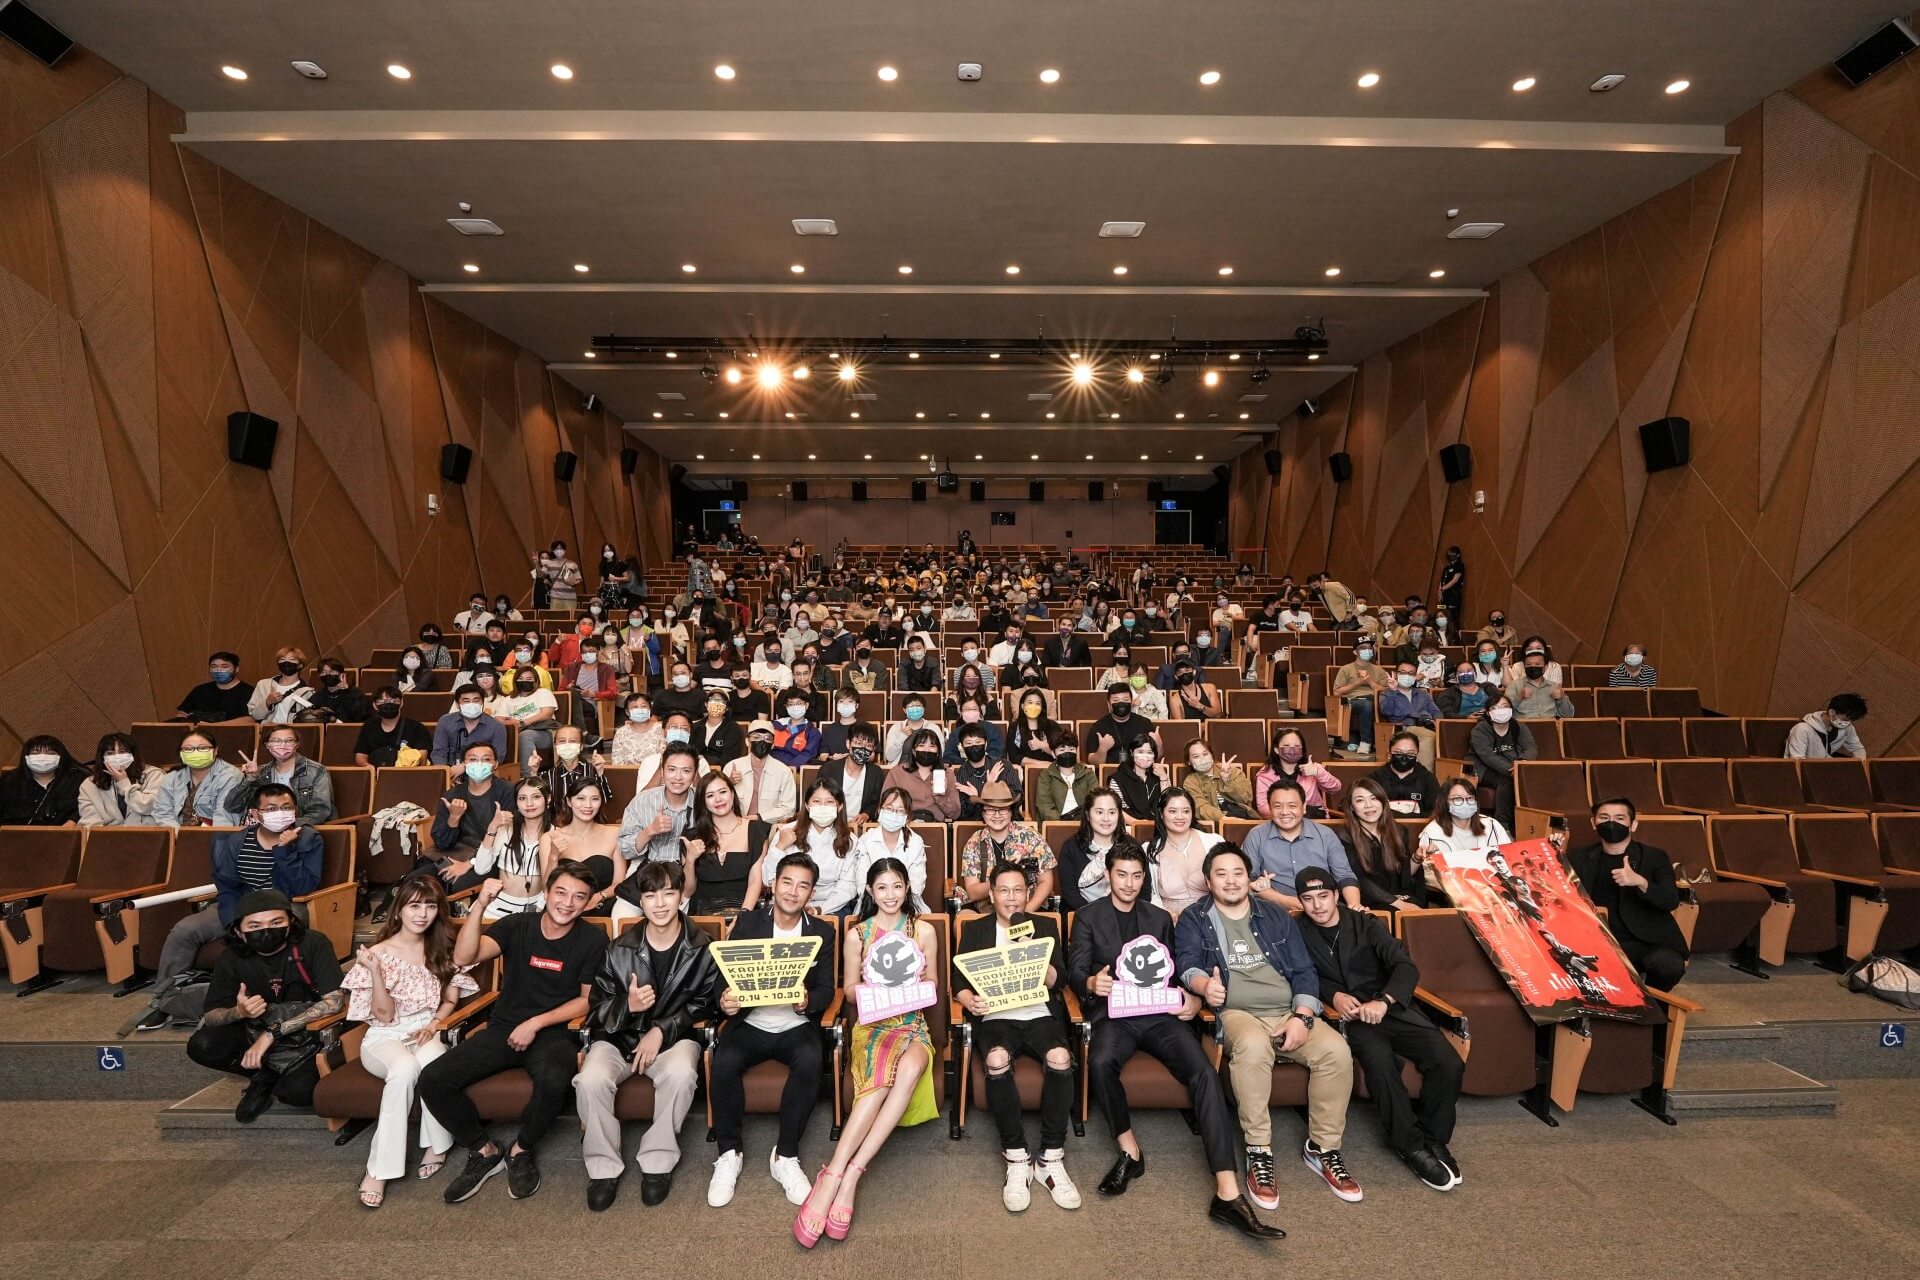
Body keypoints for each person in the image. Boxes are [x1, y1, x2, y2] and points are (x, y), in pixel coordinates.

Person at [1070, 844, 1282, 1237]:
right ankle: (1130, 1151)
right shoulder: (1088, 916)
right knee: (1099, 1061)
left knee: (1203, 1072)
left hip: (1160, 1014)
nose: (1129, 883)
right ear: (1109, 875)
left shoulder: (1159, 917)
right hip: (1115, 1014)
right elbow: (1076, 969)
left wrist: (1192, 997)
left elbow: (1179, 968)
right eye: (1121, 875)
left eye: (1137, 876)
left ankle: (1227, 1191)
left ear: (1144, 879)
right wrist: (1090, 982)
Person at [1175, 844, 1359, 1208]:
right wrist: (1204, 986)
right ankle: (1258, 1151)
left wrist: (1302, 1016)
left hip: (1287, 1009)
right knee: (1253, 1046)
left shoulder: (1275, 915)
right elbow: (1187, 963)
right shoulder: (1194, 917)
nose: (1231, 881)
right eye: (1221, 874)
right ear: (1209, 881)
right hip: (1236, 1012)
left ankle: (1323, 1148)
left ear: (1249, 878)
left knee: (1337, 1051)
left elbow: (1304, 970)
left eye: (1238, 873)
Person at [422, 863, 606, 1203]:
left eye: (579, 897)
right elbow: (464, 956)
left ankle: (521, 1150)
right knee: (432, 1079)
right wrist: (480, 905)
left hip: (554, 1032)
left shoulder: (592, 939)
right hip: (505, 1027)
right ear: (546, 892)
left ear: (588, 902)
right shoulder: (516, 925)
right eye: (561, 893)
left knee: (554, 1082)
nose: (568, 903)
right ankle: (484, 1150)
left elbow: (585, 1000)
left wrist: (535, 1023)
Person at [793, 859, 938, 1247]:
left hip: (912, 1026)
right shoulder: (858, 934)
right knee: (882, 1079)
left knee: (909, 1068)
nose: (891, 895)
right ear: (871, 891)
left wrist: (915, 983)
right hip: (873, 1026)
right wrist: (882, 985)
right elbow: (849, 992)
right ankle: (835, 1175)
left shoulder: (923, 930)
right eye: (882, 887)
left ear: (907, 888)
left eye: (897, 886)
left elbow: (933, 985)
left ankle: (850, 1174)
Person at [1293, 867, 1462, 1191]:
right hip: (1353, 1018)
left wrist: (1384, 1001)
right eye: (1309, 899)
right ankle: (1408, 1143)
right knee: (1381, 1064)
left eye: (1323, 896)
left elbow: (1404, 966)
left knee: (1448, 1062)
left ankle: (1434, 1138)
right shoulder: (1298, 930)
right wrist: (1334, 995)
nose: (1317, 905)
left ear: (1337, 895)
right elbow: (1299, 973)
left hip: (1391, 1008)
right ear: (1301, 901)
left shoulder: (1365, 923)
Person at [573, 861, 721, 1210]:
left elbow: (707, 1004)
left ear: (681, 896)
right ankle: (603, 1168)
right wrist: (628, 1005)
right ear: (640, 901)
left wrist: (661, 1029)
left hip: (673, 1040)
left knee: (682, 1073)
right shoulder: (619, 948)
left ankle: (657, 1161)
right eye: (651, 895)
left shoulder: (703, 947)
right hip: (620, 1040)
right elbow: (596, 1009)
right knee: (590, 1079)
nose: (660, 903)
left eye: (668, 893)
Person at [708, 852, 837, 1207]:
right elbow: (722, 977)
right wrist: (725, 999)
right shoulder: (748, 923)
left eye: (803, 886)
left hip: (795, 1023)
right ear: (773, 884)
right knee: (724, 1060)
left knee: (811, 1058)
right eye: (787, 882)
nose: (793, 891)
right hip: (751, 1021)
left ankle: (786, 1155)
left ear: (811, 893)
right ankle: (729, 1153)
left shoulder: (822, 932)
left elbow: (827, 990)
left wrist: (807, 1001)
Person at [140, 783, 324, 1028]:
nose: (280, 813)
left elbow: (302, 886)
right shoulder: (236, 841)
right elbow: (226, 885)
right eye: (271, 808)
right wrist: (234, 921)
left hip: (286, 906)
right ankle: (163, 1000)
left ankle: (266, 1002)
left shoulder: (308, 838)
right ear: (256, 813)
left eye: (286, 807)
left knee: (275, 930)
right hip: (242, 906)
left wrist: (284, 850)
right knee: (184, 930)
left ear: (295, 810)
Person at [955, 862, 1081, 1213]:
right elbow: (959, 982)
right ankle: (1016, 1157)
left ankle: (1051, 1157)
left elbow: (1059, 981)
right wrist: (969, 1001)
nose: (1011, 898)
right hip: (997, 1016)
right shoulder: (976, 928)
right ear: (992, 894)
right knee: (996, 1059)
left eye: (1018, 890)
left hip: (1039, 1013)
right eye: (1004, 891)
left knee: (1061, 1058)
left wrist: (1034, 951)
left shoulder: (1044, 926)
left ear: (1027, 894)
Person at [343, 874, 475, 1208]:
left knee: (434, 1064)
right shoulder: (378, 953)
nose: (422, 914)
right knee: (403, 1069)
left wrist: (434, 1023)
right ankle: (379, 1170)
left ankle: (437, 1144)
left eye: (430, 906)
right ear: (399, 909)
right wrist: (375, 971)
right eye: (414, 906)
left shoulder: (443, 947)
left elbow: (450, 1000)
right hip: (384, 1036)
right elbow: (384, 1015)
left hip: (425, 1030)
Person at [186, 888, 345, 1122]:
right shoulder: (231, 957)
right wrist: (238, 1012)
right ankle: (263, 1076)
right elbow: (211, 1015)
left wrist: (273, 1033)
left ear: (290, 923)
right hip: (256, 1029)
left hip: (308, 1036)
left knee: (296, 1094)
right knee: (202, 1045)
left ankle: (274, 1075)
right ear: (239, 931)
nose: (266, 931)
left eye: (276, 922)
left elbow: (335, 1002)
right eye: (255, 926)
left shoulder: (313, 943)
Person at [1566, 798, 1688, 990]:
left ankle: (1655, 1004)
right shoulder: (1577, 856)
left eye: (1619, 818)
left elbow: (1670, 900)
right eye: (1604, 818)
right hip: (1598, 939)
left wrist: (1640, 882)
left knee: (1668, 965)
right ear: (1593, 823)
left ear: (1633, 825)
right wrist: (1554, 848)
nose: (1611, 823)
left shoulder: (1654, 857)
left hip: (1645, 941)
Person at [1243, 778, 1363, 911]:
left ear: (1304, 807)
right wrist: (1284, 901)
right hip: (1274, 909)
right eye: (1277, 806)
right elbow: (1248, 880)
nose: (1285, 812)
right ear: (1270, 809)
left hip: (1323, 909)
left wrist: (1354, 905)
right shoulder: (1257, 836)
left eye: (1292, 806)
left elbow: (1344, 876)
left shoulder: (1325, 835)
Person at [611, 745, 701, 923]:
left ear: (694, 774)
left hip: (686, 875)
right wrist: (650, 831)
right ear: (662, 771)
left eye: (686, 771)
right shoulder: (643, 801)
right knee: (620, 918)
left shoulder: (702, 803)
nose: (678, 777)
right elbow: (624, 849)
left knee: (676, 922)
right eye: (672, 770)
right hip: (646, 869)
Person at [756, 782, 860, 915]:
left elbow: (848, 886)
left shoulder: (850, 841)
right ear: (807, 805)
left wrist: (819, 910)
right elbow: (768, 879)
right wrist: (780, 846)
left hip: (829, 908)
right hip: (787, 902)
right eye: (816, 801)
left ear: (839, 806)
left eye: (829, 802)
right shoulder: (787, 831)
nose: (822, 807)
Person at [424, 743, 515, 890]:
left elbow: (508, 840)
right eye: (473, 759)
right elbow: (441, 844)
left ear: (496, 764)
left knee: (457, 885)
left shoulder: (509, 792)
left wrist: (470, 863)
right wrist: (454, 818)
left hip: (492, 856)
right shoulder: (452, 795)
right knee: (417, 879)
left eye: (486, 759)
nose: (479, 764)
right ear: (464, 764)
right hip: (457, 852)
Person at [958, 782, 1056, 907]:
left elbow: (1046, 882)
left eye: (1003, 809)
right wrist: (1001, 880)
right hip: (988, 910)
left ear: (1011, 812)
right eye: (990, 810)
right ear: (982, 813)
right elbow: (972, 892)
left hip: (1028, 906)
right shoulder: (974, 843)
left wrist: (1027, 911)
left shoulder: (1031, 837)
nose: (997, 815)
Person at [1340, 780, 1429, 910]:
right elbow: (1359, 880)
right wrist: (1400, 904)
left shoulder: (1399, 831)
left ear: (1383, 802)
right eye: (1360, 800)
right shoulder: (1344, 837)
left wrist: (1417, 857)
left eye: (1374, 798)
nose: (1368, 805)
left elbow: (1404, 876)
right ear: (1351, 807)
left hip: (1398, 895)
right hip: (1366, 900)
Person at [472, 779, 552, 919]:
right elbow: (480, 868)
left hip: (538, 908)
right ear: (516, 802)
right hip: (498, 907)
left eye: (536, 797)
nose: (529, 803)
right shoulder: (505, 830)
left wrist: (540, 906)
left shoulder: (556, 834)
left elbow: (556, 882)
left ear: (548, 799)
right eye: (522, 798)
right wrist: (492, 827)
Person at [227, 725, 336, 827]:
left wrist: (288, 826)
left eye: (289, 740)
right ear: (268, 745)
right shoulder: (260, 771)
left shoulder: (316, 771)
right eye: (276, 741)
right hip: (264, 829)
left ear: (296, 745)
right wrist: (250, 778)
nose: (283, 745)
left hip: (299, 829)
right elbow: (232, 806)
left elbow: (320, 811)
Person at [1145, 788, 1222, 919]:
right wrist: (1164, 915)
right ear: (1161, 814)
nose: (1180, 817)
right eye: (1172, 811)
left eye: (1186, 811)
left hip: (1210, 918)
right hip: (1169, 921)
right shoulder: (1149, 850)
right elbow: (1149, 894)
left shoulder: (1214, 842)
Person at [1057, 791, 1140, 913]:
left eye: (1112, 812)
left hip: (1125, 914)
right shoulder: (1071, 847)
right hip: (1082, 914)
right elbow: (1070, 893)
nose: (1106, 818)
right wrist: (1096, 916)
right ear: (1088, 815)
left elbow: (1143, 887)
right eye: (1099, 812)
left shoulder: (1131, 845)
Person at [1467, 693, 1536, 831]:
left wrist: (1521, 763)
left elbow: (1531, 748)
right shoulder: (1480, 730)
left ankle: (1526, 824)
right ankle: (1502, 826)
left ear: (1511, 709)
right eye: (1495, 708)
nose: (1501, 711)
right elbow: (1488, 757)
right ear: (1488, 713)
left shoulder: (1519, 727)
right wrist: (1514, 770)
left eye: (1504, 706)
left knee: (1532, 777)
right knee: (1507, 781)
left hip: (1515, 766)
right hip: (1483, 768)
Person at [152, 729, 244, 827]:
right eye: (188, 749)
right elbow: (163, 814)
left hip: (215, 833)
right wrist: (178, 834)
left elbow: (224, 820)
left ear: (215, 751)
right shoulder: (170, 778)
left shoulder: (231, 776)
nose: (195, 753)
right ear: (181, 753)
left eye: (203, 748)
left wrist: (199, 836)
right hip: (178, 833)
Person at [76, 732, 165, 827]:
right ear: (102, 758)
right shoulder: (90, 784)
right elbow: (90, 823)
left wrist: (124, 783)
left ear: (133, 754)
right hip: (107, 835)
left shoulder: (154, 775)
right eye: (110, 753)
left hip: (146, 834)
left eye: (122, 752)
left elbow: (151, 807)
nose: (117, 757)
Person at [1254, 726, 1341, 818]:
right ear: (1276, 750)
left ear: (1302, 750)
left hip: (1314, 819)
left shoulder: (1313, 768)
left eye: (1297, 746)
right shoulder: (1265, 775)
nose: (1292, 749)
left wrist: (1317, 772)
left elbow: (1335, 788)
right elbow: (1263, 807)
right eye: (1286, 746)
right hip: (1282, 820)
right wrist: (1294, 811)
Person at [1417, 778, 1513, 862]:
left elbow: (1510, 857)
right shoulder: (1432, 833)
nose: (1465, 803)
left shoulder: (1492, 825)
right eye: (1457, 799)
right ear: (1445, 803)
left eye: (1470, 798)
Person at [723, 719, 798, 823]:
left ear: (772, 744)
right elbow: (719, 801)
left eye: (767, 738)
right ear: (747, 741)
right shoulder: (732, 767)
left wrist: (759, 817)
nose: (762, 741)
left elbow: (788, 809)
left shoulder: (784, 772)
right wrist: (729, 783)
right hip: (735, 824)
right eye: (756, 737)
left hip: (768, 825)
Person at [0, 735, 86, 825]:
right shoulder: (9, 781)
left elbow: (85, 810)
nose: (42, 757)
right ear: (26, 757)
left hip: (65, 833)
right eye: (35, 752)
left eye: (50, 752)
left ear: (61, 756)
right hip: (14, 833)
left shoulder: (78, 780)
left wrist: (71, 823)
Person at [884, 727, 961, 822]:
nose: (926, 750)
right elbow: (885, 807)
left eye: (932, 746)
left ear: (938, 752)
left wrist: (941, 796)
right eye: (921, 745)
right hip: (903, 824)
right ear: (913, 751)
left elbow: (955, 814)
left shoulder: (947, 774)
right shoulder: (897, 772)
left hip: (935, 826)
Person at [950, 723, 1020, 821]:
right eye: (969, 743)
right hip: (975, 824)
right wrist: (979, 795)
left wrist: (980, 795)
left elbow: (1017, 798)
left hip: (1005, 821)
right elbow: (963, 813)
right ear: (962, 747)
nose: (974, 747)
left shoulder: (1003, 766)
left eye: (978, 742)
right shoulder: (960, 774)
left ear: (986, 744)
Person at [1379, 661, 1443, 767]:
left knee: (1445, 735)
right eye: (1403, 672)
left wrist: (1437, 722)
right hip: (1404, 727)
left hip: (1427, 725)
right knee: (1429, 736)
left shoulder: (1423, 694)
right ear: (1396, 674)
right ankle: (1424, 773)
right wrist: (1393, 690)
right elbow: (1386, 711)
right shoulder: (1387, 693)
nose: (1407, 676)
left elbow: (1436, 712)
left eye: (1411, 673)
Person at [532, 724, 610, 809]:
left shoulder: (592, 772)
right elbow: (537, 802)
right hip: (558, 818)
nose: (567, 745)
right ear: (555, 746)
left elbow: (605, 800)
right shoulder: (548, 776)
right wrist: (534, 772)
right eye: (562, 741)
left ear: (581, 746)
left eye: (572, 741)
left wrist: (600, 772)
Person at [819, 722, 885, 820]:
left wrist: (866, 814)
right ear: (848, 743)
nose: (862, 749)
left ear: (873, 749)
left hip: (858, 825)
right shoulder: (828, 769)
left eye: (869, 745)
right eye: (858, 743)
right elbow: (818, 798)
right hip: (831, 821)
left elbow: (875, 802)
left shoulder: (876, 773)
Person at [1032, 727, 1099, 823]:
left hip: (1083, 823)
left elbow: (1094, 802)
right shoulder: (1046, 776)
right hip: (1055, 824)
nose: (1067, 753)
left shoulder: (1088, 774)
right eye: (1062, 750)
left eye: (1071, 749)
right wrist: (1060, 823)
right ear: (1054, 754)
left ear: (1076, 751)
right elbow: (1044, 805)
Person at [353, 688, 433, 767]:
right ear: (375, 705)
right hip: (376, 772)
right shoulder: (368, 727)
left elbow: (422, 757)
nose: (388, 704)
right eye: (383, 702)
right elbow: (360, 756)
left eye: (393, 701)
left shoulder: (416, 727)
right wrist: (369, 767)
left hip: (407, 772)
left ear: (401, 703)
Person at [1182, 738, 1252, 826]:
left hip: (1244, 819)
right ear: (1189, 762)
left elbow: (1246, 798)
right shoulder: (1190, 782)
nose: (1202, 759)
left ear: (1211, 755)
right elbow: (1200, 807)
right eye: (1196, 756)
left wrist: (1227, 781)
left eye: (1205, 754)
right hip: (1214, 824)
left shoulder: (1234, 772)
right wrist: (1223, 819)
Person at [430, 686, 507, 766]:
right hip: (451, 769)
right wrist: (447, 772)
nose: (472, 704)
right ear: (457, 704)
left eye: (476, 700)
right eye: (466, 701)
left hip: (482, 769)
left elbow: (498, 756)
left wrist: (465, 767)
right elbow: (439, 753)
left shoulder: (496, 726)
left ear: (482, 703)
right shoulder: (445, 721)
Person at [1085, 684, 1159, 766]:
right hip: (1111, 772)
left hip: (1139, 770)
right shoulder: (1099, 727)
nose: (1121, 704)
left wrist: (1159, 744)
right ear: (1109, 704)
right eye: (1116, 700)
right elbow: (1093, 763)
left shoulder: (1144, 723)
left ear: (1131, 702)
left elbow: (1157, 757)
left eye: (1125, 700)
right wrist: (1103, 749)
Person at [1371, 731, 1440, 818]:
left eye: (1410, 753)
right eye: (1398, 752)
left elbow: (1436, 811)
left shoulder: (1428, 779)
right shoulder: (1375, 777)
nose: (1404, 758)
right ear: (1389, 753)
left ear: (1417, 755)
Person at [1785, 693, 1868, 759]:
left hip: (1824, 767)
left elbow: (1857, 748)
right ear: (1832, 712)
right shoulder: (1802, 729)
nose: (1848, 723)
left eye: (1851, 721)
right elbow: (1797, 760)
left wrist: (1860, 764)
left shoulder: (1848, 728)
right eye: (1845, 719)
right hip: (1804, 769)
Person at [175, 651, 253, 722]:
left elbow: (249, 720)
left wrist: (212, 727)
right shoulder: (200, 690)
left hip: (233, 732)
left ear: (236, 669)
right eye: (214, 666)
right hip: (198, 732)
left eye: (224, 666)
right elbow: (181, 714)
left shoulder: (248, 691)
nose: (218, 670)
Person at [1109, 733, 1171, 820]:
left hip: (1158, 823)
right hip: (1129, 824)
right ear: (1131, 752)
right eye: (1140, 752)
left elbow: (1169, 803)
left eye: (1149, 752)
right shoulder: (1118, 778)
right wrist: (1138, 824)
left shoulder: (1160, 774)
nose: (1145, 756)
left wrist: (1163, 776)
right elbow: (1116, 809)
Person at [247, 647, 315, 722]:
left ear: (300, 665)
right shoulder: (263, 685)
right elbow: (255, 715)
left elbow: (310, 719)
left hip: (292, 729)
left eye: (292, 659)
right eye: (282, 659)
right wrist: (267, 702)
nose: (286, 662)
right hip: (268, 728)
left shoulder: (307, 692)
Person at [1505, 649, 1574, 719]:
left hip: (1549, 723)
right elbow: (1505, 712)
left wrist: (1563, 697)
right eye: (1528, 664)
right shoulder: (1514, 685)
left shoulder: (1554, 686)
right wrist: (1519, 697)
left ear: (1545, 667)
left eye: (1537, 664)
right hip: (1524, 724)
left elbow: (1568, 715)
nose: (1533, 667)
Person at [307, 657, 372, 723]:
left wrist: (346, 692)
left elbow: (360, 716)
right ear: (319, 676)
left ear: (341, 674)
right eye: (324, 672)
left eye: (332, 671)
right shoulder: (317, 697)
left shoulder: (356, 693)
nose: (328, 675)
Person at [1007, 689, 1061, 765]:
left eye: (1037, 703)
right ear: (1022, 706)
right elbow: (1014, 757)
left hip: (1051, 769)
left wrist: (1042, 745)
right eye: (1030, 702)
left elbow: (1062, 752)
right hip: (1025, 770)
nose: (1033, 706)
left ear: (1042, 707)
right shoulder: (1015, 727)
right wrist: (1040, 764)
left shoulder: (1052, 725)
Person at [611, 691, 665, 766]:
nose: (640, 710)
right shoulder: (621, 732)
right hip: (628, 772)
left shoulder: (661, 729)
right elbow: (617, 762)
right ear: (627, 712)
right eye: (635, 707)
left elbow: (666, 758)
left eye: (644, 706)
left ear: (650, 709)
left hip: (656, 772)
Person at [535, 540, 583, 610]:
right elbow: (540, 575)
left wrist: (573, 583)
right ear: (553, 551)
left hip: (570, 598)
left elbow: (579, 580)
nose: (559, 551)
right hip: (555, 598)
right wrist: (536, 563)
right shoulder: (549, 563)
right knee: (555, 616)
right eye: (556, 549)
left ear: (564, 550)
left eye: (561, 548)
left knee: (570, 617)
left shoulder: (572, 564)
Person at [1437, 546, 1465, 616]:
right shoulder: (1446, 568)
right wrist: (1439, 591)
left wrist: (1443, 588)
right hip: (1444, 595)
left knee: (1452, 614)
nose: (1450, 555)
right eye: (1449, 553)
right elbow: (1442, 580)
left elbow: (1455, 580)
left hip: (1453, 593)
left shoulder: (1459, 565)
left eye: (1452, 553)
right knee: (1443, 612)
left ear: (1458, 555)